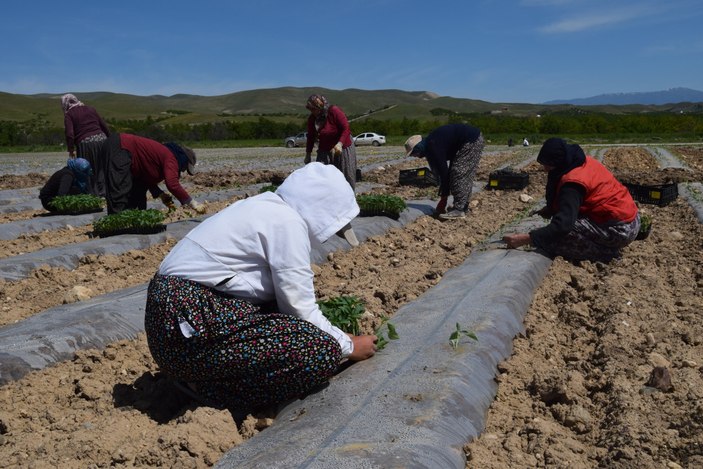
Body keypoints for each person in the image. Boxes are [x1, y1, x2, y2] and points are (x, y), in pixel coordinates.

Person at [144, 162, 376, 413]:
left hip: (172, 326)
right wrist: (349, 346)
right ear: (322, 210)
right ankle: (211, 391)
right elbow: (299, 309)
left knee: (284, 322)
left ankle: (198, 376)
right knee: (320, 350)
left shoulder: (263, 207)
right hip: (188, 329)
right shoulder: (287, 222)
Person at [502, 138, 640, 262]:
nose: (545, 169)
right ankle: (605, 246)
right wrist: (551, 209)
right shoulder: (582, 161)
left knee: (554, 241)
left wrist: (526, 238)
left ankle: (607, 254)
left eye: (548, 165)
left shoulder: (573, 182)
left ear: (558, 163)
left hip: (619, 229)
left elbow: (564, 225)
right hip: (632, 219)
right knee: (556, 227)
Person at [99, 132, 205, 215]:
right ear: (184, 160)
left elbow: (146, 179)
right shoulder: (171, 158)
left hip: (119, 148)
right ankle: (118, 229)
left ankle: (133, 221)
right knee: (120, 191)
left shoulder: (164, 156)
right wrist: (191, 202)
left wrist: (160, 194)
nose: (182, 171)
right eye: (185, 168)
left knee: (137, 191)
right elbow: (172, 184)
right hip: (120, 146)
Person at [404, 123, 484, 220]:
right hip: (471, 140)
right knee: (459, 173)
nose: (415, 156)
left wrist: (443, 199)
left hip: (470, 141)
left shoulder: (433, 146)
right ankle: (463, 206)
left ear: (418, 147)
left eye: (413, 153)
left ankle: (458, 209)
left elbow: (444, 173)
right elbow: (445, 169)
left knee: (459, 173)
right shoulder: (431, 144)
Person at [304, 94, 358, 190]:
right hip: (325, 149)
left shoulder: (333, 111)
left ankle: (349, 200)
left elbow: (345, 128)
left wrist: (340, 143)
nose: (312, 111)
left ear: (320, 106)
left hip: (343, 147)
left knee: (346, 176)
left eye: (313, 109)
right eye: (310, 109)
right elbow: (311, 137)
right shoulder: (312, 119)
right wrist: (308, 154)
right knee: (322, 177)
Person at [61, 94, 111, 196]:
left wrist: (71, 149)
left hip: (86, 143)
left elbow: (70, 134)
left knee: (87, 168)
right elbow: (103, 125)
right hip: (102, 140)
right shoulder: (91, 109)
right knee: (102, 167)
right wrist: (110, 138)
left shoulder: (69, 114)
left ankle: (92, 193)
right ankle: (104, 192)